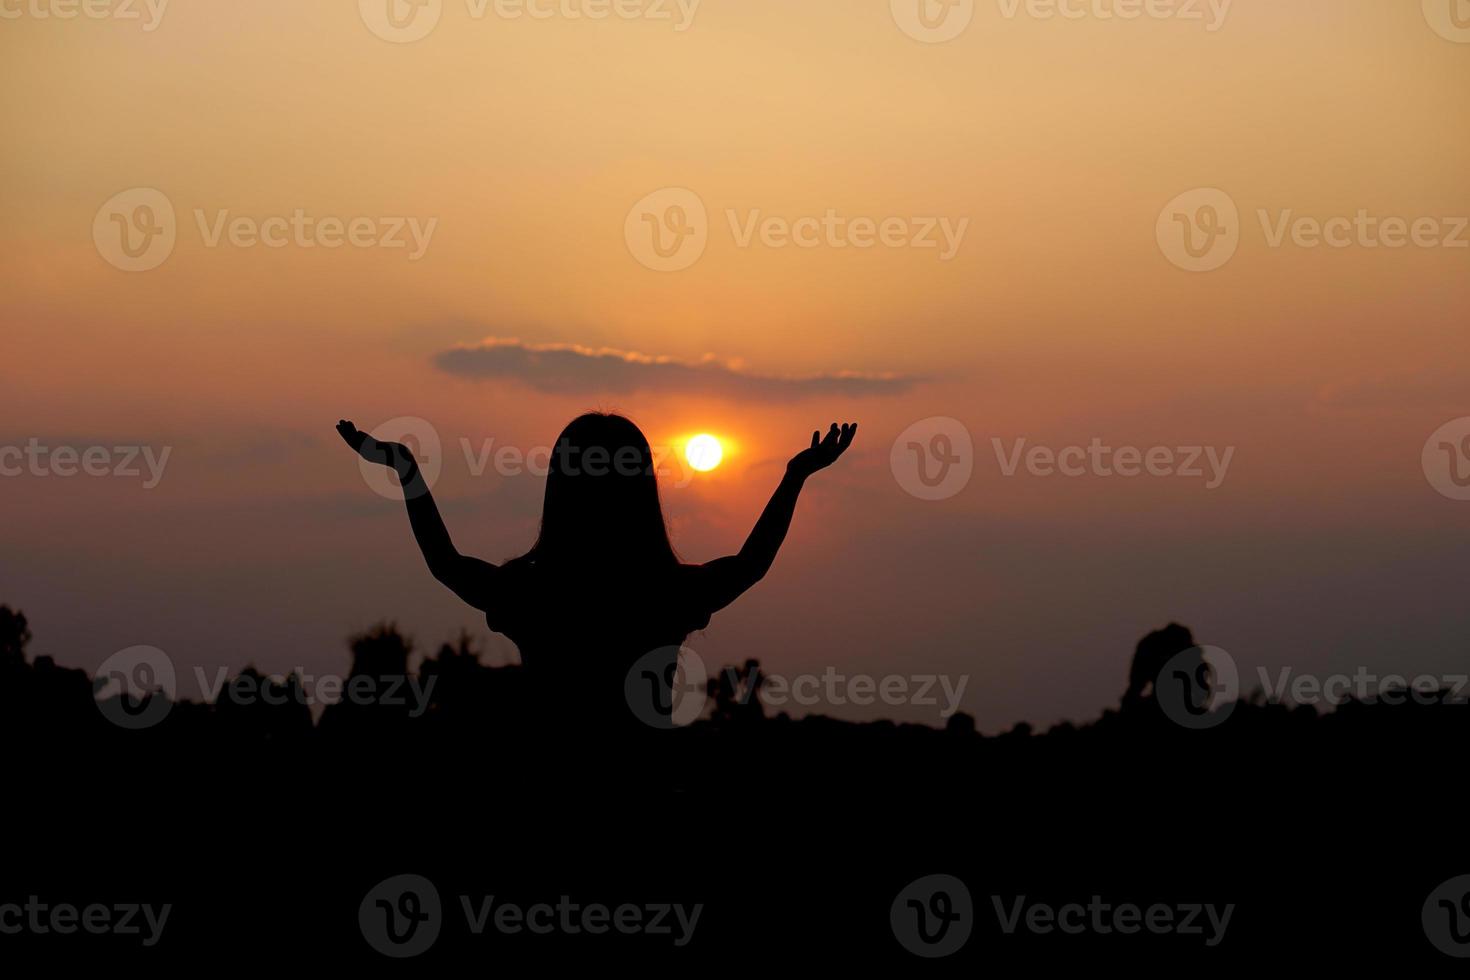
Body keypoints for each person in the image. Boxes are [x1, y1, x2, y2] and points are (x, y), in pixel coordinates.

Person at [337, 413, 856, 744]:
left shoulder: (534, 593)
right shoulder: (665, 593)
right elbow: (750, 563)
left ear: (560, 490)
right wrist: (795, 477)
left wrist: (406, 473)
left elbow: (446, 564)